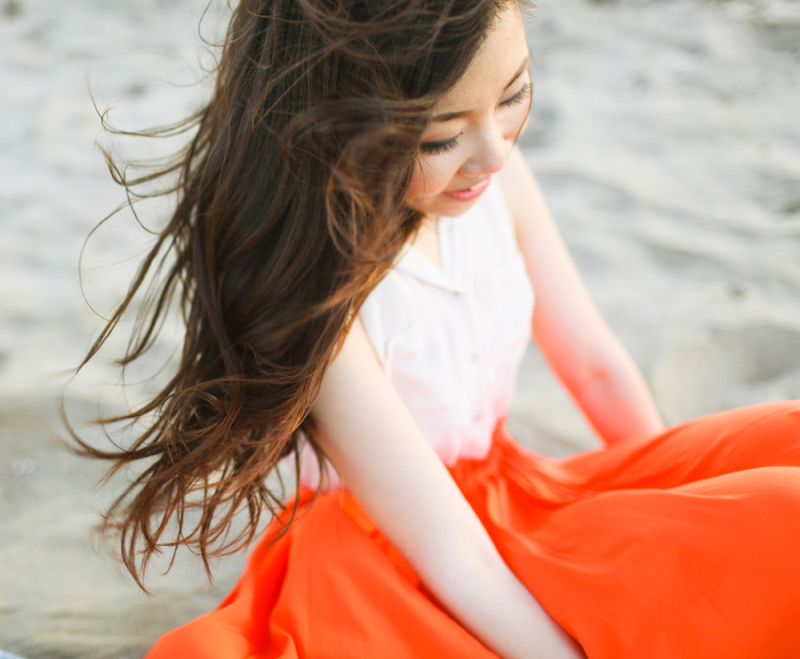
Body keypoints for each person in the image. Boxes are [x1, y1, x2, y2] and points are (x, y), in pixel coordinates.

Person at [71, 0, 800, 657]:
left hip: (518, 496)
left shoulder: (496, 180)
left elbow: (595, 365)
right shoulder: (320, 294)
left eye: (513, 96)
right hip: (385, 556)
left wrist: (660, 517)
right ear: (340, 121)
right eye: (440, 137)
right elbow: (455, 554)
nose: (494, 151)